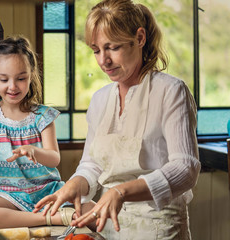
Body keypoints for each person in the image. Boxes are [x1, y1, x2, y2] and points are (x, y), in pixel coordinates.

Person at [34, 0, 201, 239]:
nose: (103, 60)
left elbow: (186, 169)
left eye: (112, 47)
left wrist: (122, 192)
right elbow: (92, 164)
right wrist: (75, 183)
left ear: (140, 38)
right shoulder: (100, 100)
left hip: (159, 228)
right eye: (96, 50)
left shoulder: (171, 91)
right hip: (110, 226)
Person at [0, 36, 75, 229]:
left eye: (21, 78)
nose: (12, 86)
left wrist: (34, 151)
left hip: (45, 192)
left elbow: (54, 158)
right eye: (4, 79)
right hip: (7, 198)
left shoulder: (42, 116)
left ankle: (46, 214)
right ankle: (49, 219)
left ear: (31, 75)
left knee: (92, 208)